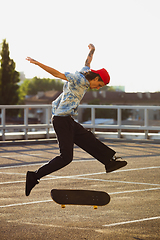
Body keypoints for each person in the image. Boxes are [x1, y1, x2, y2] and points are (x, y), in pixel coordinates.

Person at [25, 44, 127, 196]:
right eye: (98, 85)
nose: (97, 88)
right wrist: (38, 63)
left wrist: (92, 50)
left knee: (88, 138)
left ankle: (109, 161)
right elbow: (57, 74)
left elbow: (87, 62)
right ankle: (34, 176)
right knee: (66, 157)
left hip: (67, 119)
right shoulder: (78, 78)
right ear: (97, 78)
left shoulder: (86, 72)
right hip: (61, 119)